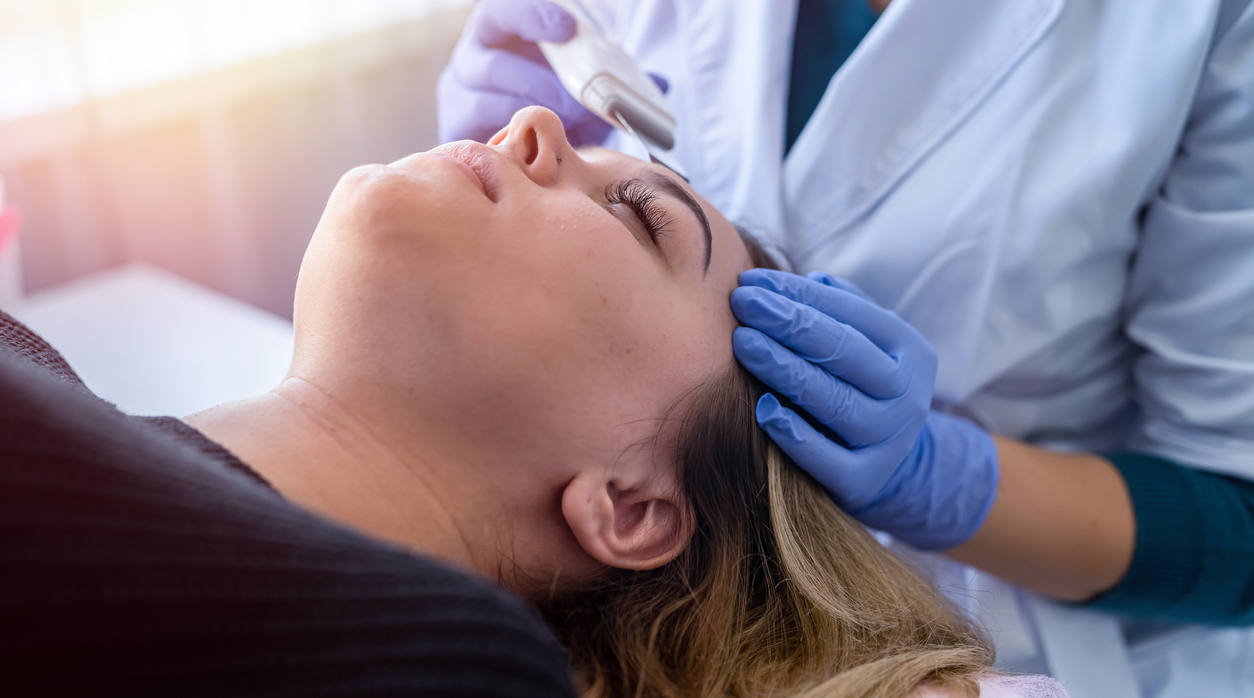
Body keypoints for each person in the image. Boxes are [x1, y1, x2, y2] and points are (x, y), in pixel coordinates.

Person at [435, 0, 1254, 695]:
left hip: (1017, 648)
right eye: (642, 217)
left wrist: (946, 477)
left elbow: (1241, 523)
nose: (530, 133)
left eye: (644, 215)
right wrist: (500, 191)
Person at [0, 106, 1069, 697]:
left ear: (634, 503)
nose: (533, 126)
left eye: (639, 216)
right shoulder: (35, 369)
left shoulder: (447, 665)